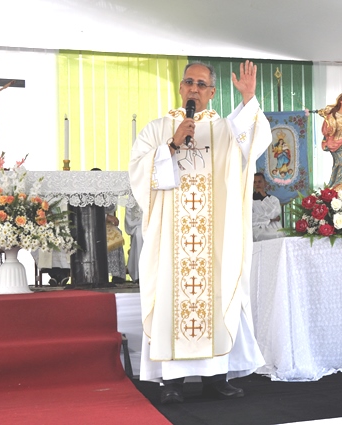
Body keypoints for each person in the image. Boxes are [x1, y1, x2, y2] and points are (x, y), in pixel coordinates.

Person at [128, 60, 272, 404]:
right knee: (169, 299)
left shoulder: (224, 128)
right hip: (170, 238)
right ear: (181, 87)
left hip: (214, 236)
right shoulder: (157, 128)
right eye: (189, 82)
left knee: (217, 296)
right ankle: (172, 382)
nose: (194, 89)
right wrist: (171, 146)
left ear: (211, 92)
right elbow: (138, 173)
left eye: (201, 84)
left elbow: (252, 141)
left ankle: (215, 377)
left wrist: (249, 100)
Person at [252, 172, 283, 241]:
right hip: (257, 231)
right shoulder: (249, 201)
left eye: (259, 181)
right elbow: (251, 218)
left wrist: (264, 197)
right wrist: (270, 220)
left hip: (274, 229)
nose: (257, 184)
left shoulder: (273, 199)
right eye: (255, 182)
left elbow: (274, 214)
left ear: (265, 183)